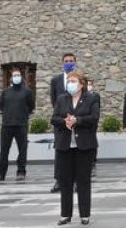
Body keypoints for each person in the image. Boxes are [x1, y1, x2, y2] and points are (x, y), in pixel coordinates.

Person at [52, 68, 100, 225]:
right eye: (69, 82)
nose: (70, 84)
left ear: (81, 84)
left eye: (73, 82)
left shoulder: (91, 98)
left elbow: (94, 118)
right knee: (65, 181)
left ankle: (85, 214)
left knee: (83, 181)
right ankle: (65, 215)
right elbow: (54, 118)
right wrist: (64, 122)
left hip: (84, 146)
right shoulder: (61, 99)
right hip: (64, 146)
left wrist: (77, 121)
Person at [0, 66, 35, 181]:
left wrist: (24, 114)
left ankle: (21, 172)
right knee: (3, 150)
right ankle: (0, 173)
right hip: (7, 124)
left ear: (21, 77)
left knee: (22, 149)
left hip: (21, 124)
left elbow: (31, 106)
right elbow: (1, 106)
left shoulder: (27, 91)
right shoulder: (5, 92)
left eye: (18, 75)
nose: (16, 77)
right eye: (14, 75)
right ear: (11, 78)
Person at [48, 52, 78, 193]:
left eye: (71, 61)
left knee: (78, 151)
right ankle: (59, 180)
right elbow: (54, 100)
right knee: (60, 151)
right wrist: (63, 117)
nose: (68, 63)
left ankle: (77, 181)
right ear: (62, 63)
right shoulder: (56, 80)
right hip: (61, 121)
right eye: (66, 61)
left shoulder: (80, 79)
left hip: (78, 120)